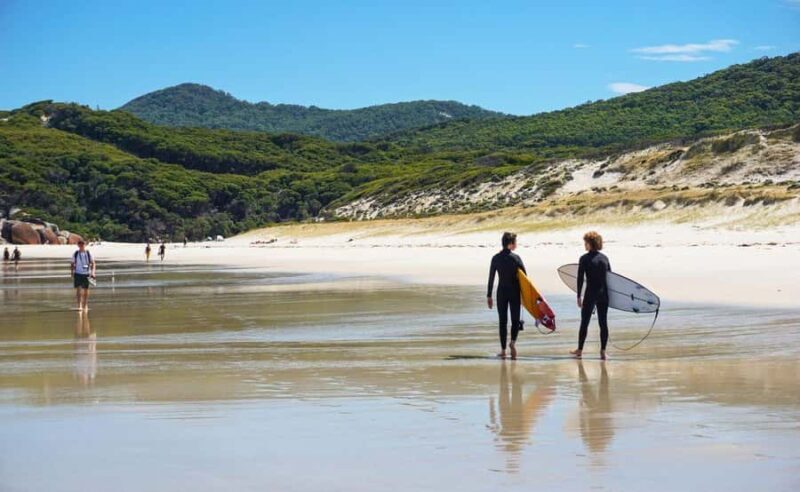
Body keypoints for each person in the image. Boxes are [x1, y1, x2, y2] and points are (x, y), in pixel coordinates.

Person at [571, 231, 611, 360]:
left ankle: (580, 350)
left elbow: (580, 279)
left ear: (590, 243)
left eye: (585, 243)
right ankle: (603, 351)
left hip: (590, 294)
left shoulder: (584, 259)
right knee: (603, 323)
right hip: (604, 294)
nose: (584, 245)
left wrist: (578, 296)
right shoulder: (604, 258)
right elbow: (611, 278)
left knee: (585, 322)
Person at [487, 232, 526, 359]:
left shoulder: (495, 258)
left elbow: (491, 278)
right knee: (515, 320)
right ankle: (513, 343)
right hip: (514, 292)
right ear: (510, 244)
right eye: (515, 242)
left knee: (502, 321)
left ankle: (503, 351)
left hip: (501, 293)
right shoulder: (516, 258)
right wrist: (525, 297)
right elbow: (525, 279)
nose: (516, 244)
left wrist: (489, 296)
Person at [70, 240, 96, 312]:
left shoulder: (88, 253)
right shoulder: (75, 253)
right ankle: (79, 305)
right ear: (78, 245)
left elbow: (93, 263)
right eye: (80, 244)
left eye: (83, 244)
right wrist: (72, 272)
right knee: (78, 290)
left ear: (85, 245)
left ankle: (85, 304)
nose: (81, 245)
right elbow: (72, 263)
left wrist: (93, 272)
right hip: (78, 273)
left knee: (86, 290)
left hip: (87, 273)